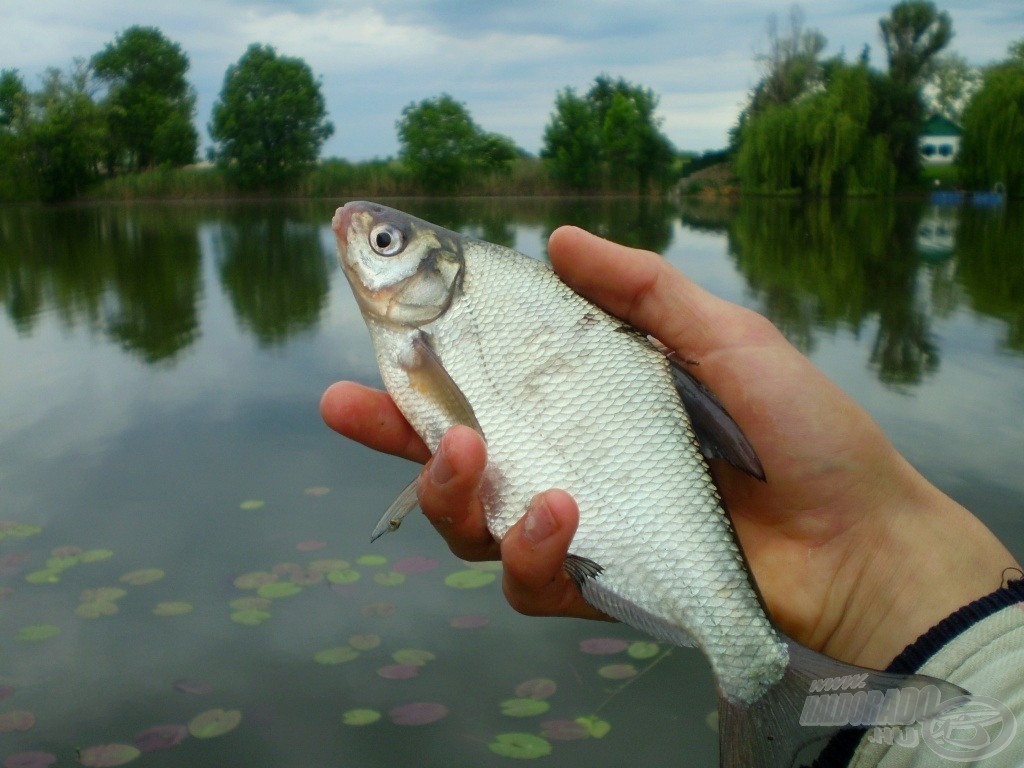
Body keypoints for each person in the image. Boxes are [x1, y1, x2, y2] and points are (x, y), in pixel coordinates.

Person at [321, 225, 1024, 765]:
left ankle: (764, 681)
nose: (359, 238)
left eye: (385, 241)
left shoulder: (458, 316)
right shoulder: (443, 323)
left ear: (437, 272)